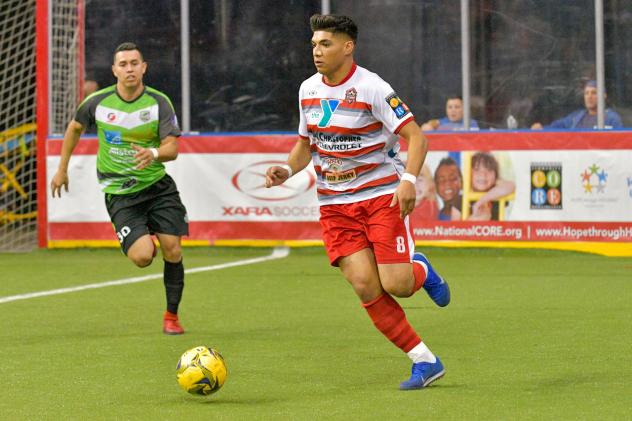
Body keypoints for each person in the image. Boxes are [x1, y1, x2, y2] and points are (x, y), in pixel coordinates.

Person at [265, 14, 450, 390]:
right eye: (314, 44)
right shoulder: (307, 90)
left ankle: (422, 271)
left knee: (396, 284)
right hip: (334, 206)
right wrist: (288, 169)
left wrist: (409, 181)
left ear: (348, 47)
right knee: (366, 286)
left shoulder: (373, 88)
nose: (316, 51)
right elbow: (306, 143)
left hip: (380, 196)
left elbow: (417, 138)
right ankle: (425, 361)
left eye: (325, 44)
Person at [50, 42, 188, 335]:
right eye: (123, 64)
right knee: (142, 257)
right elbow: (74, 128)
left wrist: (153, 153)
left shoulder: (158, 102)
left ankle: (171, 317)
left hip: (157, 188)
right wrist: (61, 169)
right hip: (121, 195)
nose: (129, 69)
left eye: (134, 63)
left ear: (144, 67)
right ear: (114, 70)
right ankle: (144, 232)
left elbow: (172, 147)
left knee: (173, 249)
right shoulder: (96, 102)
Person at [531, 80, 623, 129]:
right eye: (586, 93)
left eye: (594, 93)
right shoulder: (577, 116)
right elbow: (558, 126)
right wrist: (542, 128)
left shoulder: (612, 118)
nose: (589, 96)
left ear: (604, 96)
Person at [468, 152, 515, 221]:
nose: (483, 174)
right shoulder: (461, 197)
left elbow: (511, 186)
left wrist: (481, 201)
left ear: (495, 175)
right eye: (476, 169)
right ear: (468, 173)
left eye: (489, 170)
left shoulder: (497, 193)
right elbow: (454, 228)